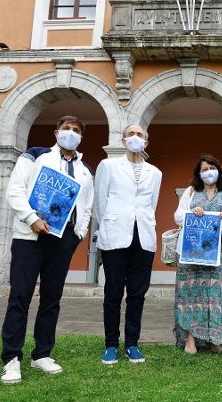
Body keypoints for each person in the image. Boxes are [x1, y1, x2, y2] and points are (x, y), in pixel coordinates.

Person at [0, 115, 94, 384]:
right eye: (66, 128)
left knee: (51, 299)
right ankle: (11, 359)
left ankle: (41, 354)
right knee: (20, 296)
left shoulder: (86, 170)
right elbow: (15, 191)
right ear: (56, 132)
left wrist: (79, 233)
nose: (71, 133)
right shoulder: (35, 156)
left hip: (63, 241)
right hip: (30, 237)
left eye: (76, 130)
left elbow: (86, 206)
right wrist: (32, 219)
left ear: (81, 137)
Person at [94, 124, 162, 365]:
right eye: (131, 134)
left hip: (143, 236)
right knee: (113, 292)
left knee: (137, 293)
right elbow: (100, 201)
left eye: (140, 135)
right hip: (115, 234)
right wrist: (107, 226)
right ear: (123, 141)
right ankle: (111, 344)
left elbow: (151, 204)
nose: (135, 138)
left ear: (146, 142)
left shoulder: (155, 172)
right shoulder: (108, 166)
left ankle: (132, 343)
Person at [173, 155, 222, 354]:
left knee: (215, 297)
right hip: (193, 255)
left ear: (218, 171)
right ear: (199, 174)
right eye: (204, 169)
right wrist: (192, 212)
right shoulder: (192, 192)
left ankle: (214, 339)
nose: (208, 171)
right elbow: (178, 216)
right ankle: (191, 340)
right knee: (192, 296)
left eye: (211, 167)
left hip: (217, 257)